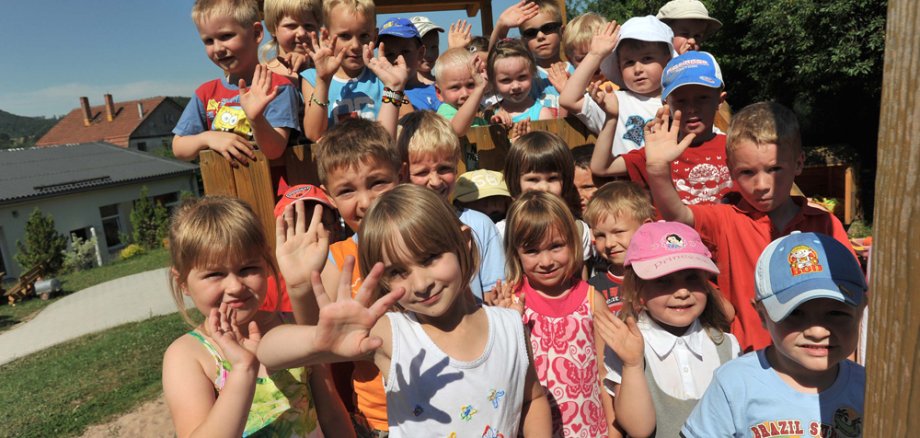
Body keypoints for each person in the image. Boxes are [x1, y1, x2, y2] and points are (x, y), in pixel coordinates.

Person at [259, 184, 553, 437]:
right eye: (398, 271)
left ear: (463, 242)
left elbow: (532, 398)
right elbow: (269, 351)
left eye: (430, 258)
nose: (421, 283)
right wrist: (312, 325)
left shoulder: (511, 326)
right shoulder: (393, 333)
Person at [643, 101, 855, 351]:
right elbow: (677, 215)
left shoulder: (824, 225)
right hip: (751, 360)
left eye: (774, 169)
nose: (762, 184)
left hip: (818, 355)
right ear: (730, 170)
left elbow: (850, 293)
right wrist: (657, 170)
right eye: (747, 172)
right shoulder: (725, 220)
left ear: (799, 163)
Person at [161, 196, 352, 437]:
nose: (235, 286)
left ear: (266, 265)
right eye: (214, 274)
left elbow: (330, 410)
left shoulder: (292, 325)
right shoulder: (188, 355)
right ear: (183, 283)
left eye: (247, 269)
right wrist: (243, 371)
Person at [682, 232, 868, 437]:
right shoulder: (735, 383)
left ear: (861, 311)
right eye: (795, 313)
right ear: (762, 315)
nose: (817, 332)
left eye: (836, 313)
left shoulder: (868, 388)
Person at [595, 221, 739, 438]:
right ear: (637, 289)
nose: (682, 292)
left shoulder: (727, 345)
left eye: (692, 278)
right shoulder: (629, 346)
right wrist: (632, 364)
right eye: (663, 281)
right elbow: (638, 429)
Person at [310, 117, 403, 437]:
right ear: (330, 198)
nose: (366, 202)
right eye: (347, 191)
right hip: (378, 421)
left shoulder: (429, 248)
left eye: (378, 182)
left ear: (400, 176)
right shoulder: (334, 262)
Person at [495, 190, 611, 437]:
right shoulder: (511, 303)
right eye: (532, 251)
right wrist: (504, 322)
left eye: (556, 246)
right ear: (516, 252)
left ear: (573, 242)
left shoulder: (593, 300)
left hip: (591, 431)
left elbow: (605, 373)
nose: (546, 261)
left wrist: (614, 430)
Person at [592, 51, 733, 205]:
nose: (692, 108)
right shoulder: (657, 153)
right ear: (666, 104)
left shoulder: (734, 148)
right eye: (681, 101)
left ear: (720, 101)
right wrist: (611, 118)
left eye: (702, 98)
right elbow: (602, 167)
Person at [172, 0, 300, 165]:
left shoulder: (277, 87)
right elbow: (179, 147)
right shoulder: (205, 93)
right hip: (222, 188)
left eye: (226, 36)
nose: (217, 48)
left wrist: (256, 119)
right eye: (208, 41)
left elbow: (274, 150)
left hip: (270, 187)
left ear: (256, 33)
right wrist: (208, 138)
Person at [397, 111, 505, 301]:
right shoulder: (395, 231)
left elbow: (494, 297)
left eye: (444, 169)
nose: (436, 181)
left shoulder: (480, 226)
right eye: (422, 172)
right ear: (402, 174)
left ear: (456, 165)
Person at [299, 0, 412, 141]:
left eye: (364, 36)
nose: (355, 45)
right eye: (345, 36)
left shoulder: (384, 78)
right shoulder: (313, 78)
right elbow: (313, 133)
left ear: (375, 37)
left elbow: (407, 120)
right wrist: (323, 80)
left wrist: (393, 89)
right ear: (327, 37)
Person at [563, 16, 676, 156]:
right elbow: (568, 99)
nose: (638, 69)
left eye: (647, 58)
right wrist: (595, 54)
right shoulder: (612, 102)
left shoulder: (682, 100)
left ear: (669, 60)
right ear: (619, 66)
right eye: (629, 62)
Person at [499, 131, 593, 278]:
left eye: (552, 178)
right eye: (533, 180)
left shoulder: (578, 229)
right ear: (516, 182)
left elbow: (581, 281)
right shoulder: (502, 231)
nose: (543, 187)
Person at [260, 184, 342, 321]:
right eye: (299, 225)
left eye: (318, 222)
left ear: (336, 229)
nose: (308, 235)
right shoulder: (267, 292)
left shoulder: (353, 273)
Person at [583, 181, 656, 313]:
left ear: (646, 227)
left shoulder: (663, 278)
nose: (609, 243)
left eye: (618, 232)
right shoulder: (592, 288)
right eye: (600, 235)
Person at [377, 17, 441, 112]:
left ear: (420, 53)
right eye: (389, 54)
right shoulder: (374, 93)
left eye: (405, 52)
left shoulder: (437, 93)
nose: (398, 60)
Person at [487, 39, 554, 123]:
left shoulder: (542, 115)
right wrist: (495, 126)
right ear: (493, 82)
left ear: (532, 73)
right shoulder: (489, 114)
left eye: (522, 77)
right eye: (506, 80)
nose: (516, 86)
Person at [433, 48, 490, 137]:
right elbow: (457, 129)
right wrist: (479, 88)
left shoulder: (478, 119)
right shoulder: (445, 112)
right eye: (455, 87)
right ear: (439, 93)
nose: (465, 94)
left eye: (470, 85)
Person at [261, 0, 321, 84]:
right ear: (273, 28)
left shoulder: (328, 70)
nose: (301, 33)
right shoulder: (264, 75)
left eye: (308, 26)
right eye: (291, 26)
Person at [656, 0, 722, 55]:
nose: (692, 41)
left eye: (697, 36)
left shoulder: (702, 64)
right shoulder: (657, 64)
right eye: (685, 34)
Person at [410, 16, 444, 85]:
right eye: (423, 49)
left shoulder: (445, 86)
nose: (429, 54)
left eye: (434, 47)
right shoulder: (399, 88)